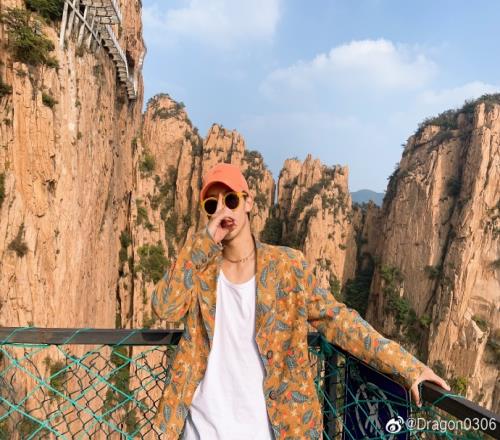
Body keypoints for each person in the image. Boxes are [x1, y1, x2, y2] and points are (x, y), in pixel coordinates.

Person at [151, 162, 450, 439]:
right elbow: (165, 306)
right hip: (203, 429)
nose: (222, 211)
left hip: (272, 429)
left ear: (248, 202)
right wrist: (203, 242)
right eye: (212, 205)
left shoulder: (287, 266)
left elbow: (339, 320)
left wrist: (406, 366)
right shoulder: (200, 271)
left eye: (231, 200)